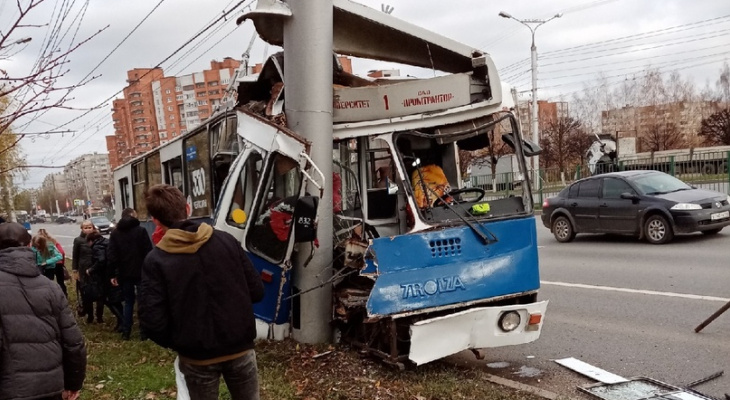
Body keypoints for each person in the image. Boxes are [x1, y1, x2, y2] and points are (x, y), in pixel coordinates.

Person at [139, 184, 264, 400]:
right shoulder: (227, 241)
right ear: (188, 208)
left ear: (155, 220)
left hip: (197, 358)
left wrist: (182, 341)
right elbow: (257, 291)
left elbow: (153, 321)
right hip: (240, 349)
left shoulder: (156, 260)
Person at [0, 222, 87, 400]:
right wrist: (73, 383)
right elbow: (73, 342)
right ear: (30, 246)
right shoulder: (51, 288)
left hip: (9, 388)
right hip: (51, 386)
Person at [108, 207, 153, 340]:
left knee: (128, 302)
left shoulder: (115, 234)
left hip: (124, 273)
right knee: (142, 301)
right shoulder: (141, 231)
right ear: (133, 216)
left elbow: (111, 256)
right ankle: (144, 332)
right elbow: (148, 251)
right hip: (141, 272)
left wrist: (113, 274)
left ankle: (126, 331)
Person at [86, 231, 123, 331]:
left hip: (106, 276)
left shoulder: (97, 246)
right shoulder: (107, 242)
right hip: (114, 273)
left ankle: (122, 321)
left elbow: (101, 260)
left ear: (91, 241)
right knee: (115, 299)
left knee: (109, 300)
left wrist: (91, 269)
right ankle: (122, 321)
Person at [72, 220, 103, 323]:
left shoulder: (98, 238)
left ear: (93, 227)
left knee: (100, 292)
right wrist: (75, 270)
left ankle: (99, 316)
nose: (88, 229)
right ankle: (90, 316)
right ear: (82, 229)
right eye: (85, 227)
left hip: (96, 269)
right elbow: (75, 256)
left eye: (89, 227)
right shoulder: (78, 240)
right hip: (83, 270)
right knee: (86, 293)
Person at [37, 228, 69, 296]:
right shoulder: (54, 242)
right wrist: (62, 263)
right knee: (60, 282)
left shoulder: (38, 244)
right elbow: (62, 252)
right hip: (58, 263)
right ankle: (64, 296)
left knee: (48, 282)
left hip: (47, 265)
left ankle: (51, 296)